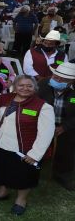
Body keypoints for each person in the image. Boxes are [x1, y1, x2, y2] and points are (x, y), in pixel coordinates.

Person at [0, 75, 55, 216]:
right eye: (21, 85)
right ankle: (3, 191)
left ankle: (21, 199)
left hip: (25, 149)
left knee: (24, 176)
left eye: (29, 86)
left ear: (35, 88)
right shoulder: (4, 99)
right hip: (2, 143)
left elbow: (46, 133)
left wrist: (35, 154)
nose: (25, 88)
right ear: (15, 86)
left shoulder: (43, 106)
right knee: (2, 170)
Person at [37, 62, 75, 190]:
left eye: (62, 79)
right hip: (43, 122)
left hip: (67, 126)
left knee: (66, 151)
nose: (57, 80)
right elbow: (34, 103)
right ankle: (34, 171)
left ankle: (63, 176)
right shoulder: (43, 84)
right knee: (38, 147)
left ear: (71, 81)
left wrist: (64, 127)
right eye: (55, 76)